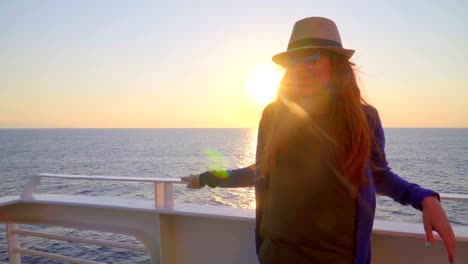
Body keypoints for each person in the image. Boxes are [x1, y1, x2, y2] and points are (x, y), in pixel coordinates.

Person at [182, 17, 456, 263]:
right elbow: (261, 171)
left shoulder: (363, 119)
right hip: (276, 256)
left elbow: (378, 175)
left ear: (335, 63)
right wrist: (207, 178)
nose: (301, 68)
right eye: (294, 61)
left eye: (311, 58)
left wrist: (425, 199)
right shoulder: (274, 115)